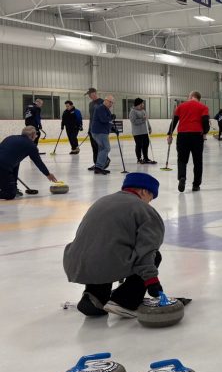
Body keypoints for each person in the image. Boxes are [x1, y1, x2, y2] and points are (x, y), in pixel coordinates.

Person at [63, 173, 165, 318]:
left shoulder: (102, 201)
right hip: (106, 262)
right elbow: (147, 252)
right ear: (144, 191)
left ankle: (95, 297)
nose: (149, 202)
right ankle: (124, 302)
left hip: (76, 263)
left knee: (106, 248)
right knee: (154, 256)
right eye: (151, 197)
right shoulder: (144, 210)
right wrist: (152, 281)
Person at [167, 91, 210, 192]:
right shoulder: (203, 107)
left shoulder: (181, 106)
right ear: (199, 98)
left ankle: (182, 177)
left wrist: (170, 134)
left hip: (183, 136)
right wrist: (205, 131)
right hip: (197, 136)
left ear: (191, 96)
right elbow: (205, 121)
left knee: (182, 159)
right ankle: (196, 185)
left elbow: (174, 121)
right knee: (197, 161)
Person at [0, 127, 57, 200]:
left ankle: (12, 187)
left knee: (9, 183)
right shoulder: (31, 145)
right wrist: (48, 174)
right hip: (3, 168)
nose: (36, 137)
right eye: (36, 135)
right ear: (32, 135)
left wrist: (14, 185)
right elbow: (38, 162)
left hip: (4, 167)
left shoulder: (10, 138)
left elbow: (15, 164)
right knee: (10, 194)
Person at [90, 94, 115, 175]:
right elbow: (104, 119)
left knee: (102, 149)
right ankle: (99, 167)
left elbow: (108, 122)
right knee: (106, 148)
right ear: (106, 101)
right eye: (110, 102)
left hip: (101, 131)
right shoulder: (100, 108)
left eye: (112, 102)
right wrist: (111, 117)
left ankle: (99, 167)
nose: (111, 104)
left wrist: (112, 128)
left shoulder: (105, 109)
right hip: (99, 132)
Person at [129, 98, 155, 164]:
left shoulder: (143, 111)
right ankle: (139, 159)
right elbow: (134, 121)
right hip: (137, 132)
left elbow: (146, 120)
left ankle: (145, 158)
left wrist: (149, 127)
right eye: (142, 103)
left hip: (145, 131)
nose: (143, 104)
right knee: (139, 145)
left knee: (146, 144)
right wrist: (142, 119)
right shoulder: (133, 111)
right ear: (138, 104)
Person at [85, 88, 105, 170]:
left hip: (99, 130)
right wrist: (89, 129)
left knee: (100, 148)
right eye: (89, 95)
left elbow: (104, 116)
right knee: (94, 148)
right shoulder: (90, 104)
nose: (89, 96)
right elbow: (91, 118)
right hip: (92, 129)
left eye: (90, 94)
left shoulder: (102, 102)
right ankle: (96, 164)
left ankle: (101, 165)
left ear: (94, 93)